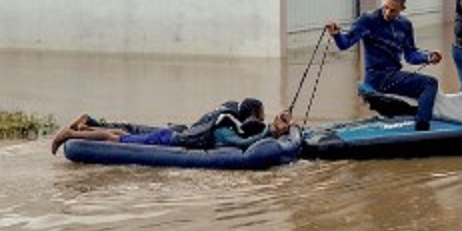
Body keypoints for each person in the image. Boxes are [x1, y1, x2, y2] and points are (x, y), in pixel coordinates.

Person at [325, 0, 442, 131]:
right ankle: (422, 129)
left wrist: (428, 57)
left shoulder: (405, 25)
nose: (387, 13)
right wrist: (336, 34)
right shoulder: (368, 20)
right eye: (385, 7)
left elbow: (410, 55)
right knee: (430, 84)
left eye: (393, 10)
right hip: (377, 76)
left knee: (425, 86)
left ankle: (414, 117)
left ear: (402, 8)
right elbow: (345, 43)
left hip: (393, 75)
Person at [50, 98, 292, 155]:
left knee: (124, 134)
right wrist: (270, 131)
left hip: (173, 133)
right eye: (259, 117)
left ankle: (84, 127)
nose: (260, 121)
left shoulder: (224, 116)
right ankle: (70, 134)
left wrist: (270, 130)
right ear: (251, 116)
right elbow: (239, 145)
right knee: (119, 140)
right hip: (171, 140)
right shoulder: (225, 128)